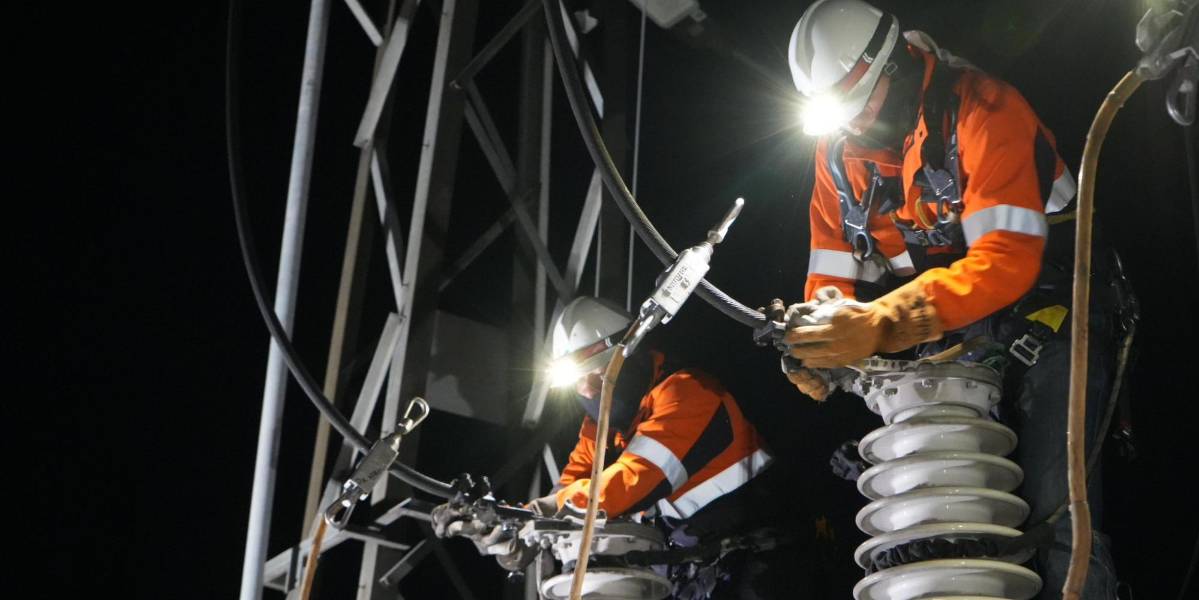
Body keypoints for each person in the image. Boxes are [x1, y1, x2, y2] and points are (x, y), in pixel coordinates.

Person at [778, 1, 1125, 598]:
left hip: (1053, 319)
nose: (855, 127)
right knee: (931, 523)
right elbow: (832, 272)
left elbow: (1006, 260)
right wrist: (821, 341)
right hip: (948, 339)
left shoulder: (986, 110)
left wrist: (884, 320)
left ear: (897, 68)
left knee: (1056, 517)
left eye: (861, 109)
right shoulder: (839, 155)